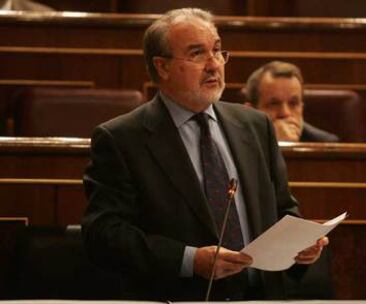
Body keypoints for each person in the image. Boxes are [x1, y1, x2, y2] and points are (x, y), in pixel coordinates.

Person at [82, 8, 328, 301]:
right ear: (162, 66)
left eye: (218, 50)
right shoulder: (122, 138)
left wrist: (300, 245)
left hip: (260, 296)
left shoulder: (254, 125)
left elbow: (282, 209)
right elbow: (104, 234)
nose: (214, 65)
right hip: (179, 297)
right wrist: (189, 259)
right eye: (197, 54)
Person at [244, 61, 339, 142]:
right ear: (250, 111)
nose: (286, 113)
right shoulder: (238, 146)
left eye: (293, 104)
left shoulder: (325, 145)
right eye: (274, 104)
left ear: (302, 106)